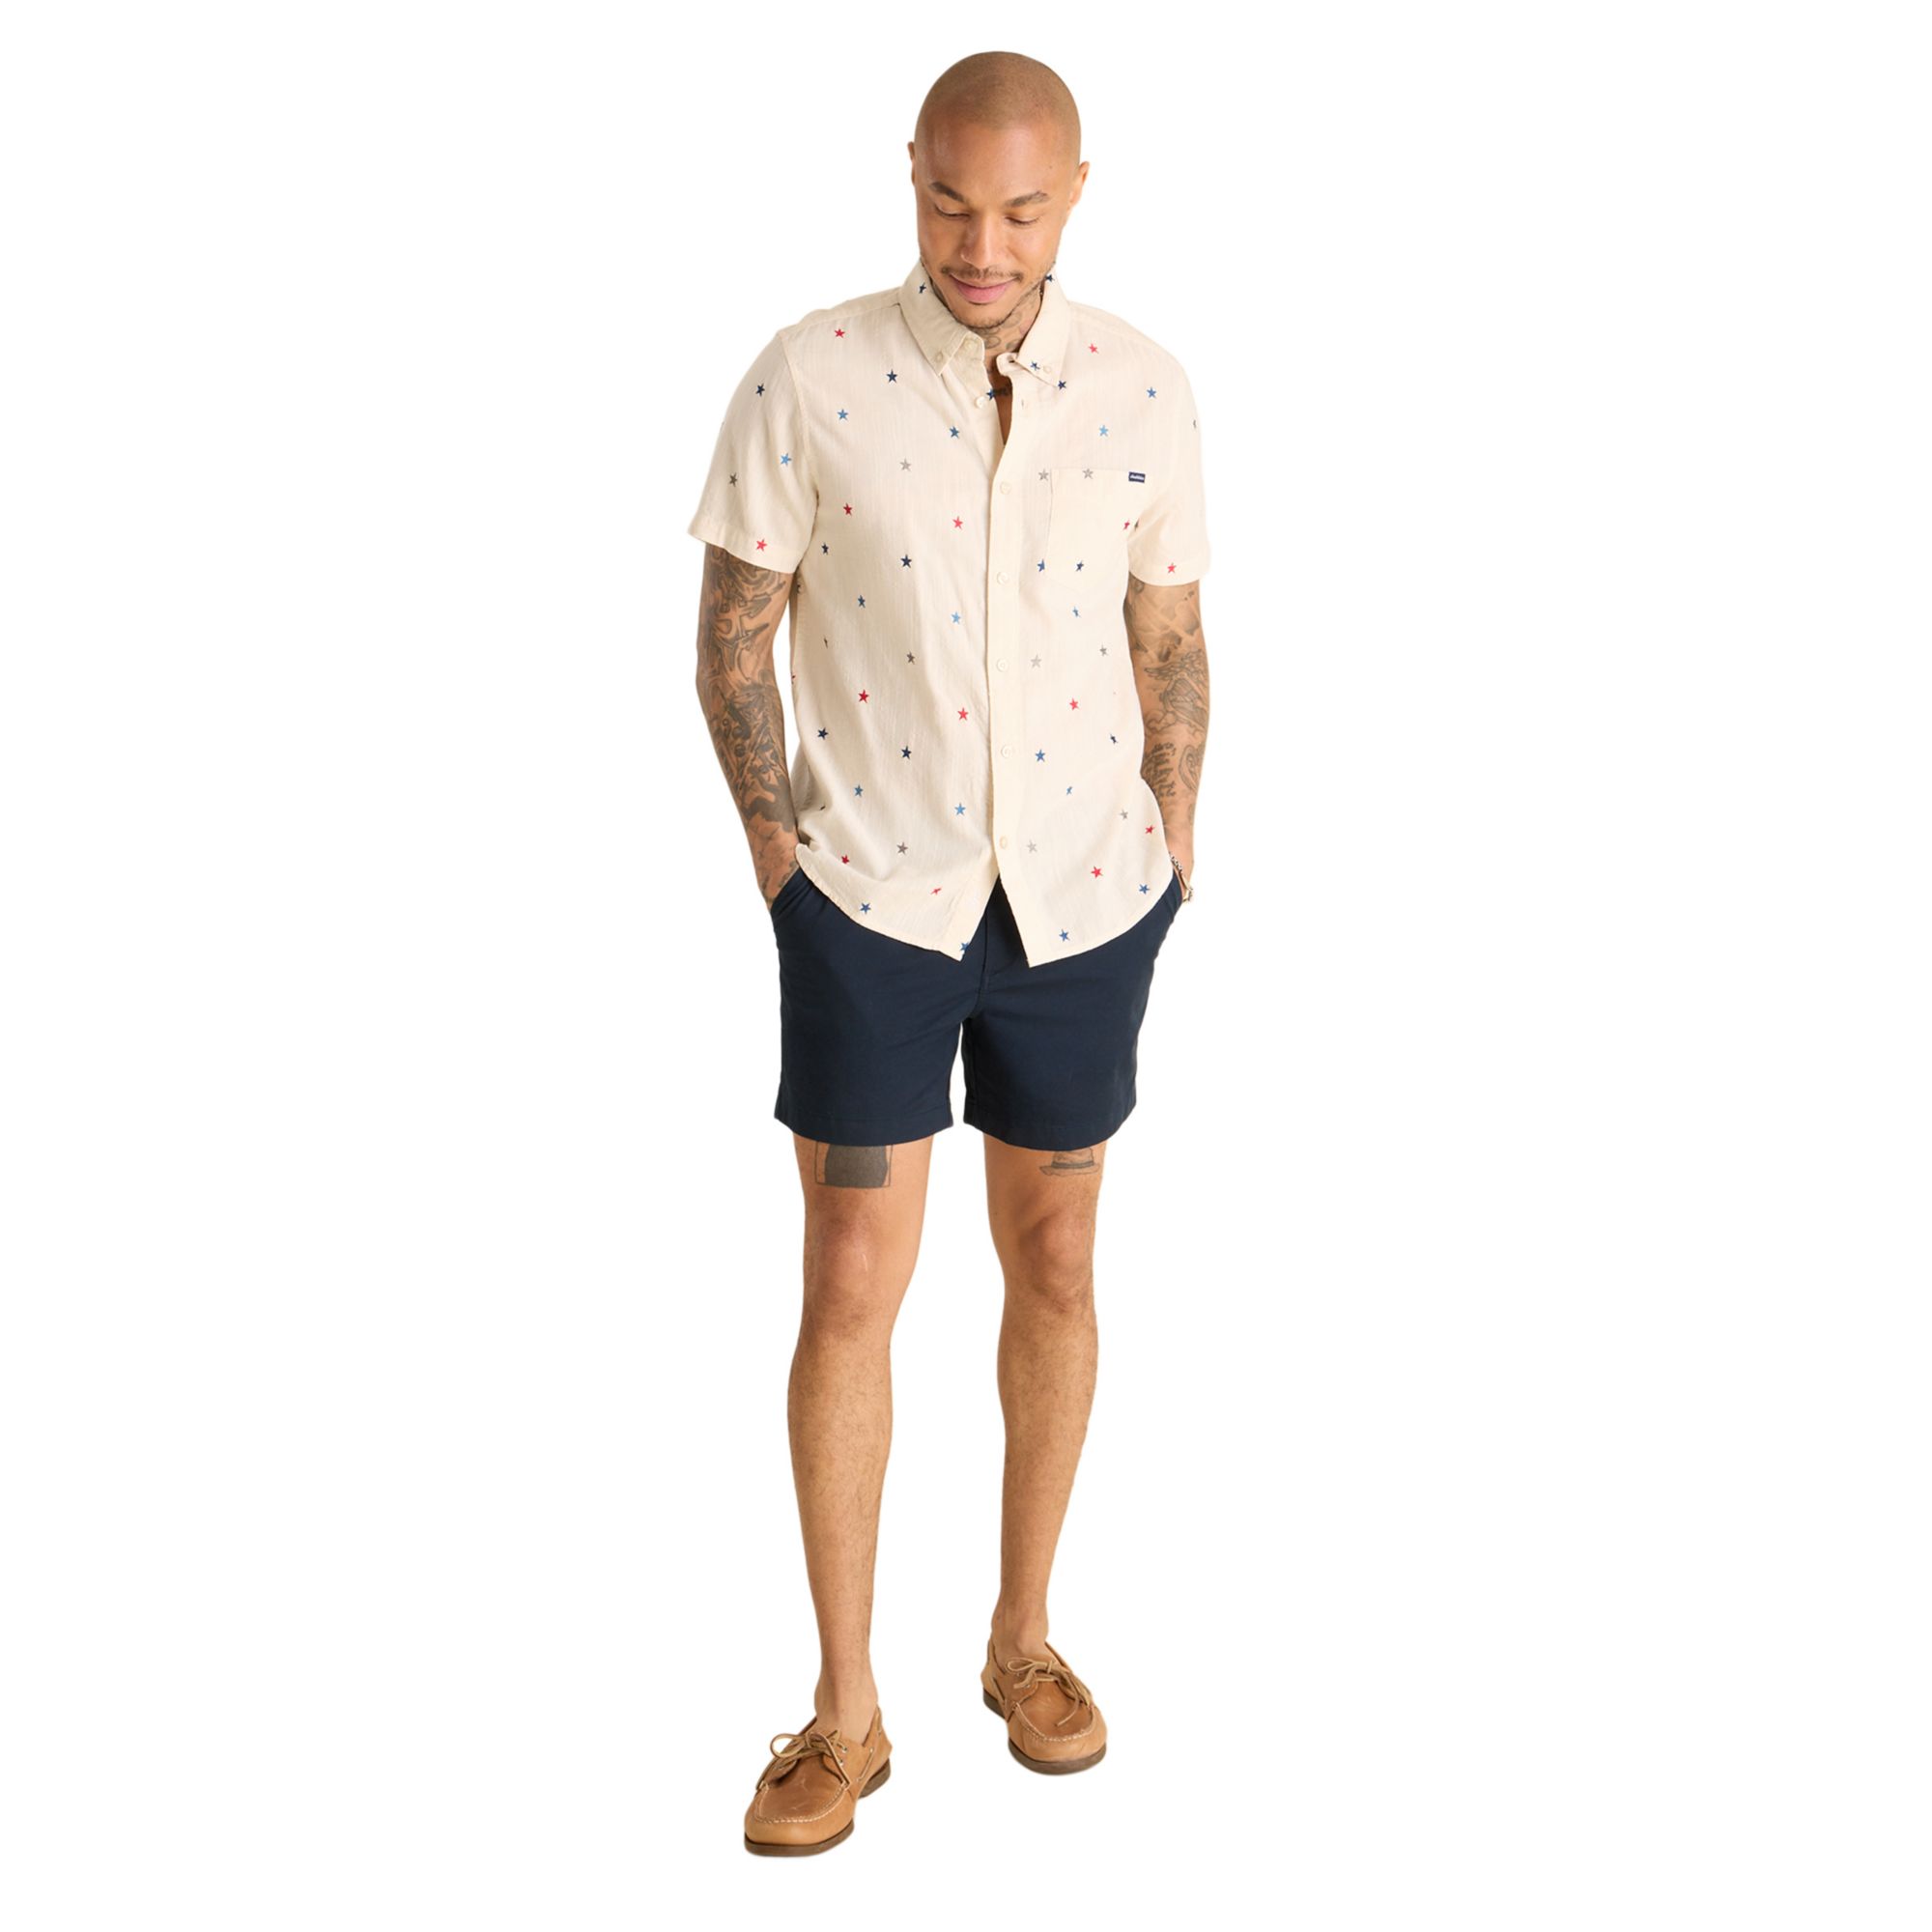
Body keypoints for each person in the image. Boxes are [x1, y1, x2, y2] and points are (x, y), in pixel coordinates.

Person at [686, 50, 1212, 1858]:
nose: (982, 246)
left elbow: (1171, 631)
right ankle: (844, 1715)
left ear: (1076, 195)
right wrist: (781, 863)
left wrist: (1180, 833)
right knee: (852, 1274)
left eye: (1022, 211)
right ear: (909, 173)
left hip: (1087, 900)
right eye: (949, 203)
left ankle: (1023, 1640)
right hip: (870, 900)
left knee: (1057, 1254)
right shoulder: (811, 374)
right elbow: (733, 632)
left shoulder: (1144, 387)